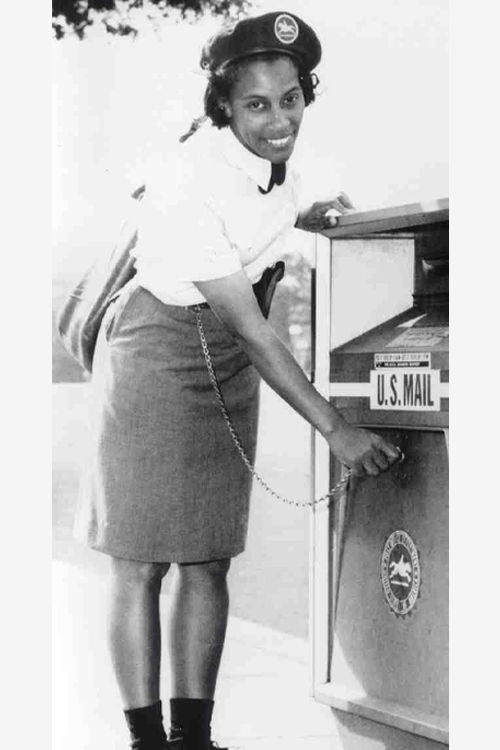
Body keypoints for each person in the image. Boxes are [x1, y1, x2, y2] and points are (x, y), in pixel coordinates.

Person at [73, 11, 401, 750]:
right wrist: (336, 427)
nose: (279, 119)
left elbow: (257, 224)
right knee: (142, 558)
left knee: (209, 555)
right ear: (223, 105)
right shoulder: (187, 179)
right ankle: (146, 741)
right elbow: (257, 331)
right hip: (158, 351)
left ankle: (192, 738)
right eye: (256, 104)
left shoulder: (272, 167)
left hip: (222, 352)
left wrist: (308, 216)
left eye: (291, 98)